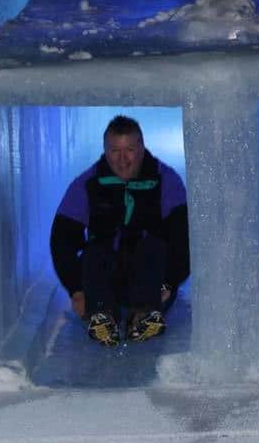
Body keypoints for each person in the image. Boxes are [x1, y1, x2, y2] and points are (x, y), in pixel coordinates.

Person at [50, 115, 190, 346]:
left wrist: (170, 282)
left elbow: (183, 238)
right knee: (94, 252)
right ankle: (104, 317)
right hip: (105, 277)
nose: (123, 159)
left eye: (130, 150)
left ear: (142, 149)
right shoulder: (87, 183)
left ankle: (144, 315)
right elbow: (62, 240)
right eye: (115, 150)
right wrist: (76, 289)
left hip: (152, 280)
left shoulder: (166, 181)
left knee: (153, 246)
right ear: (105, 150)